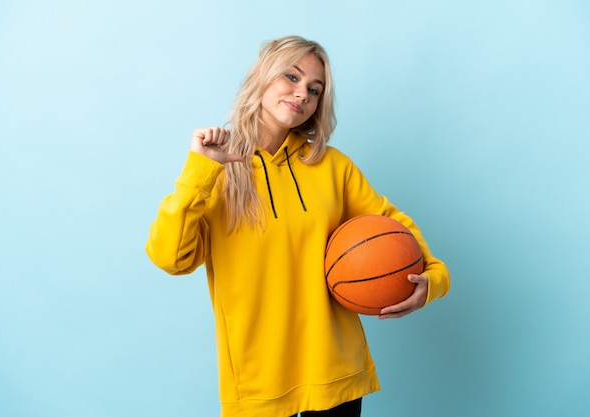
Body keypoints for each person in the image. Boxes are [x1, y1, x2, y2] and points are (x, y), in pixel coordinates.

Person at [145, 35, 450, 417]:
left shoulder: (331, 166)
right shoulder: (214, 170)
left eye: (314, 88)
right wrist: (197, 171)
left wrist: (434, 281)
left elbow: (393, 227)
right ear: (262, 77)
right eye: (291, 77)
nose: (302, 93)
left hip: (336, 374)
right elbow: (170, 258)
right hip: (259, 383)